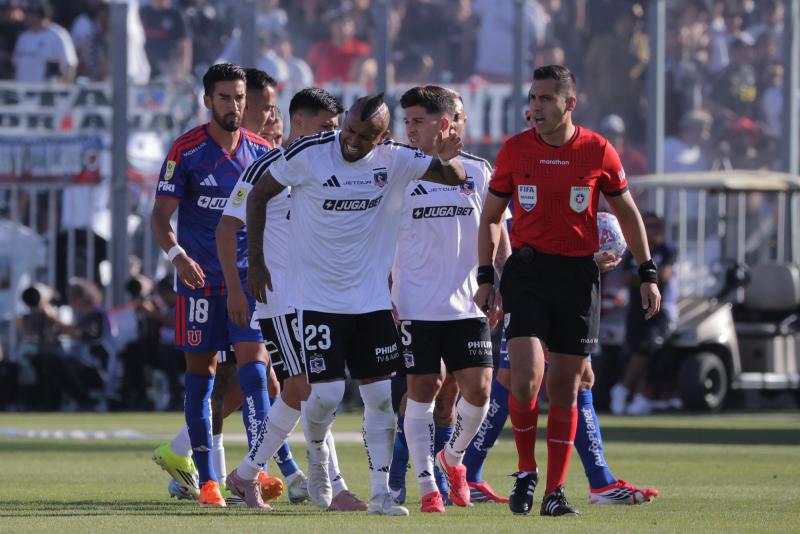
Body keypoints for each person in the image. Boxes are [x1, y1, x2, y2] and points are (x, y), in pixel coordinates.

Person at [227, 93, 467, 515]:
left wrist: (448, 158)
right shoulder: (308, 154)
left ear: (382, 136)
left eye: (363, 135)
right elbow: (258, 196)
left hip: (372, 302)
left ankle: (379, 495)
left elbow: (454, 177)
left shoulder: (395, 159)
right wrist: (256, 264)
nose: (351, 141)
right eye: (348, 130)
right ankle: (318, 465)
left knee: (377, 400)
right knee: (321, 397)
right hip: (314, 301)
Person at [474, 65, 661, 517]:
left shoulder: (597, 150)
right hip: (528, 273)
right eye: (532, 98)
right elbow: (492, 217)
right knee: (524, 378)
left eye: (544, 99)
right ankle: (526, 471)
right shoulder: (515, 151)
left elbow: (629, 213)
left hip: (578, 277)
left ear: (568, 104)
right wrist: (486, 276)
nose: (534, 107)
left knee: (567, 387)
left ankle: (555, 493)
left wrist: (647, 270)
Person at [223, 88, 368, 512]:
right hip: (280, 297)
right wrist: (239, 282)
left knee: (303, 391)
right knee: (307, 389)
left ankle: (246, 475)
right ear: (297, 122)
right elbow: (227, 227)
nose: (331, 134)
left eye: (335, 127)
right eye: (324, 126)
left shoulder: (327, 166)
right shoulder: (266, 166)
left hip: (320, 296)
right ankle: (334, 488)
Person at [151, 67, 289, 506]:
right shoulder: (187, 150)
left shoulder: (263, 153)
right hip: (198, 282)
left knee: (255, 372)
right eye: (226, 97)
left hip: (248, 281)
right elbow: (160, 217)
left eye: (240, 97)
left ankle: (254, 470)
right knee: (202, 377)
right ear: (208, 100)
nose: (235, 106)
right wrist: (179, 257)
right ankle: (208, 480)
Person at [389, 85, 511, 513]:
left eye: (417, 122)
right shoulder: (397, 170)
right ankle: (425, 486)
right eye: (406, 122)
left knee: (478, 391)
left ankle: (452, 459)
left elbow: (498, 235)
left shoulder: (479, 172)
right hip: (415, 303)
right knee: (423, 388)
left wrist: (500, 284)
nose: (409, 130)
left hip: (467, 302)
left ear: (445, 124)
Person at [612, 214, 678, 416]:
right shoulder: (634, 251)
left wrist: (642, 278)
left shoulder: (667, 250)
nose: (652, 231)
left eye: (655, 226)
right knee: (636, 350)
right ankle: (639, 395)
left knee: (647, 347)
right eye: (647, 226)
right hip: (636, 307)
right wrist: (647, 278)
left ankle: (623, 388)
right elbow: (625, 278)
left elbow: (664, 277)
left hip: (662, 308)